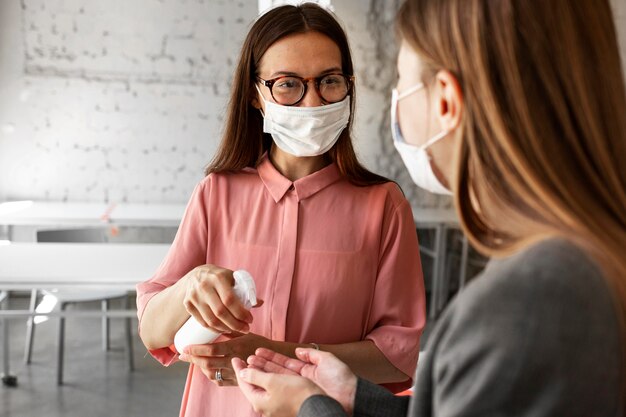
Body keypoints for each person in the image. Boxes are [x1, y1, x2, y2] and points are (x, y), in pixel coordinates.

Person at [232, 0, 626, 415]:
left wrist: (309, 409)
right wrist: (355, 398)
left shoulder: (527, 301)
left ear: (445, 102)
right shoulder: (582, 264)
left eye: (401, 82)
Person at [136, 3, 427, 417]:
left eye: (329, 81)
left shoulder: (384, 207)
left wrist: (279, 354)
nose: (311, 103)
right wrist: (189, 286)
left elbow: (397, 356)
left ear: (349, 86)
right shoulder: (216, 193)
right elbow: (152, 332)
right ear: (256, 94)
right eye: (288, 84)